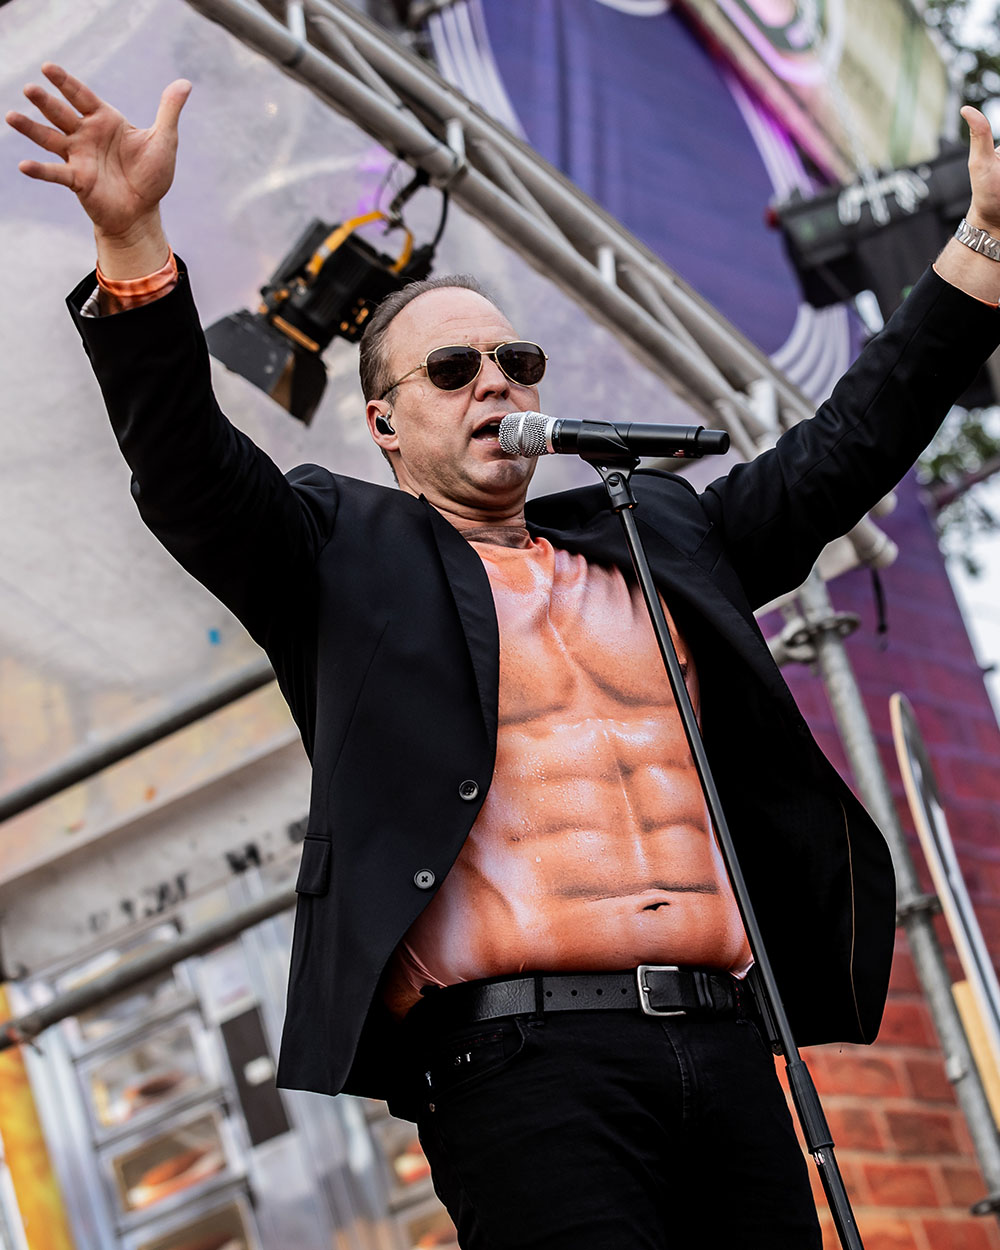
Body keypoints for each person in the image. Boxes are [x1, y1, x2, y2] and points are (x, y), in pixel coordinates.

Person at [8, 63, 1000, 1249]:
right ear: (385, 422)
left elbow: (846, 445)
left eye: (514, 362)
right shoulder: (341, 555)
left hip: (727, 1037)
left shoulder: (653, 532)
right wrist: (132, 244)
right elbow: (186, 468)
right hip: (519, 1063)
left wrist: (980, 245)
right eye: (451, 369)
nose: (493, 381)